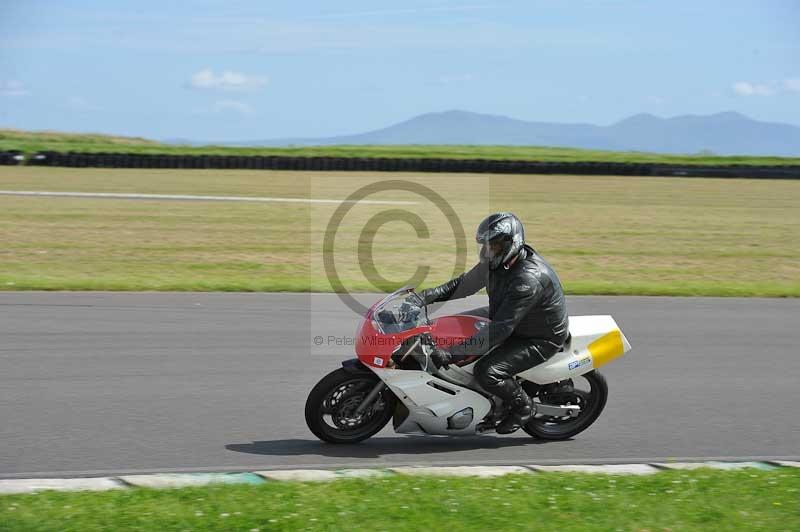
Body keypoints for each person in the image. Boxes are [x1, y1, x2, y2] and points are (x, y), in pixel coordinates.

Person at [420, 212, 569, 434]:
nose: (488, 250)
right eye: (486, 245)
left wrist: (451, 354)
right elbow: (464, 285)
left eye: (495, 245)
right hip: (509, 316)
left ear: (511, 244)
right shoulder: (497, 264)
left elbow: (500, 329)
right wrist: (424, 297)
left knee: (486, 371)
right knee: (447, 325)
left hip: (538, 337)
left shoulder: (526, 280)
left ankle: (523, 406)